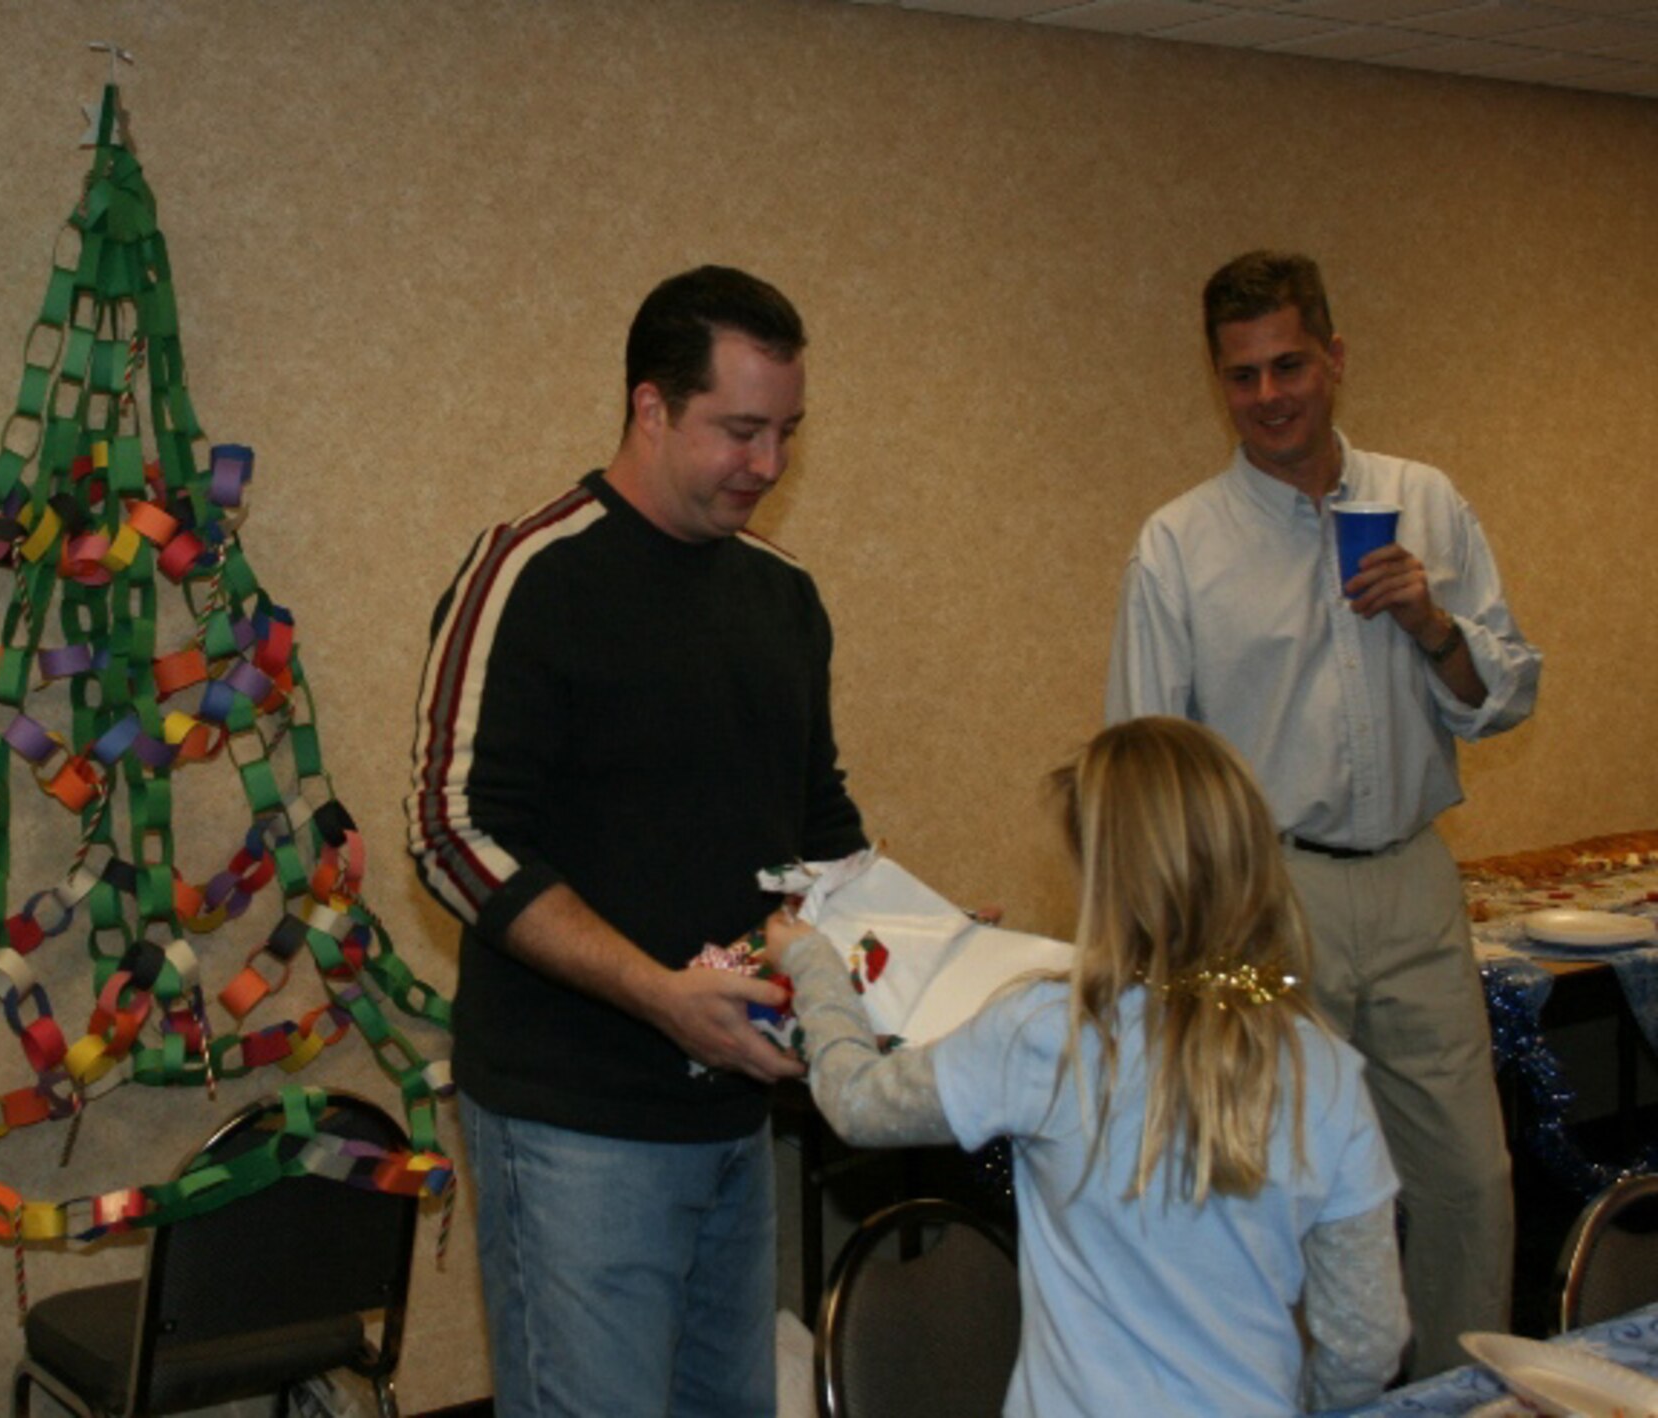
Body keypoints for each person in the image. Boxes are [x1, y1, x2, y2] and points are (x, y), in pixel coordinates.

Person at [405, 265, 866, 1418]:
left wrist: (914, 931)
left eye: (785, 434)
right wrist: (656, 992)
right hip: (574, 1123)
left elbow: (818, 830)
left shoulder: (783, 598)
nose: (766, 465)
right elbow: (452, 832)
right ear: (649, 406)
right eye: (739, 430)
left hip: (733, 1109)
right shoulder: (529, 570)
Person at [1106, 250, 1542, 1376]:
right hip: (1264, 899)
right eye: (1240, 375)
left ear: (1333, 358)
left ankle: (1453, 1396)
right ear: (1218, 382)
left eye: (1287, 364)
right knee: (1288, 1194)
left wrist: (1432, 624)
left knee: (1467, 1179)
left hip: (1410, 879)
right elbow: (1145, 770)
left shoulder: (1423, 500)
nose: (1267, 397)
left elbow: (1505, 696)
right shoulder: (1179, 544)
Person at [756, 716, 1409, 1414]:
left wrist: (814, 966)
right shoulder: (1327, 1070)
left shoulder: (1049, 1034)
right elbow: (1367, 1341)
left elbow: (857, 1102)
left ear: (1111, 880)